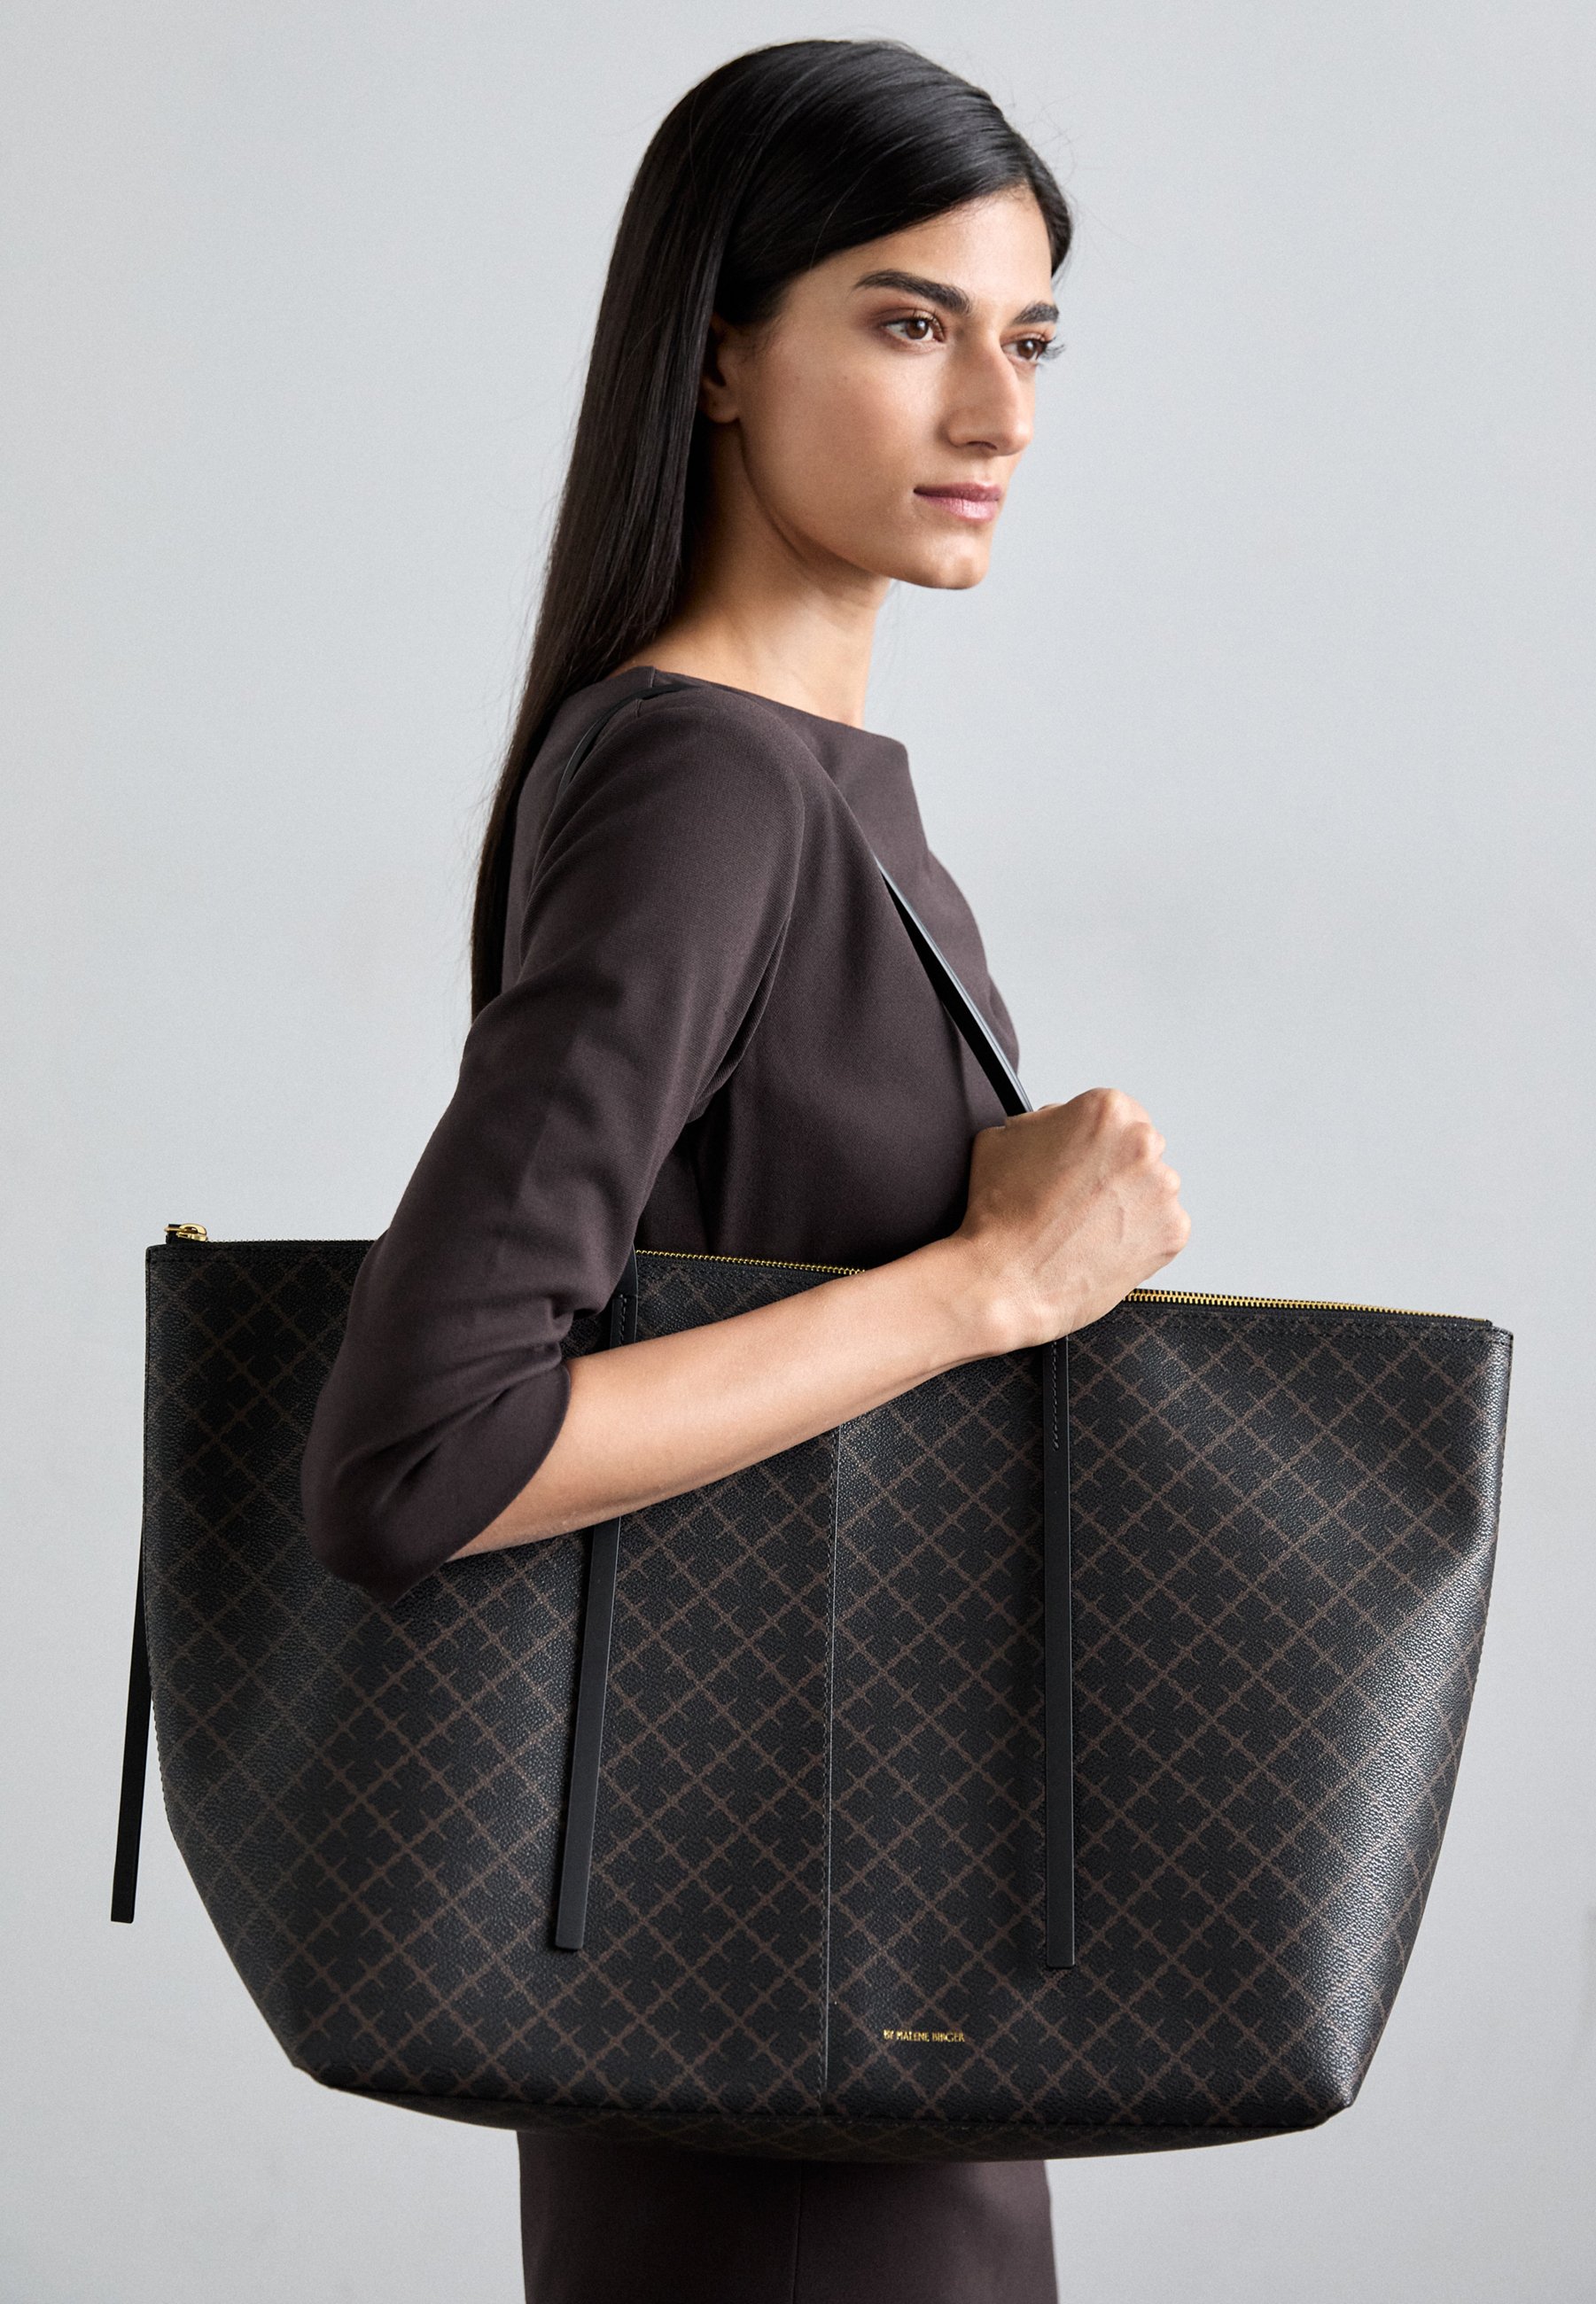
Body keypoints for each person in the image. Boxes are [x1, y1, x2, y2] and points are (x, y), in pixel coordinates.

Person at [301, 36, 1189, 2304]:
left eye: (1031, 341)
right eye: (908, 323)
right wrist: (985, 1288)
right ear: (716, 358)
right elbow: (417, 1454)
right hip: (770, 2034)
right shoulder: (705, 788)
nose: (995, 412)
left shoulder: (797, 786)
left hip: (839, 1963)